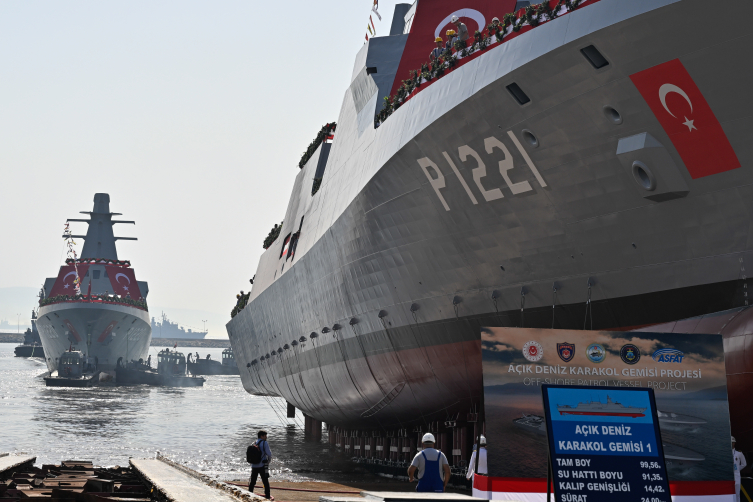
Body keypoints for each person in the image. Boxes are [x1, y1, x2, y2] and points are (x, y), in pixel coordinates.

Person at [249, 430, 273, 500]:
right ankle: (268, 496)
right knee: (265, 482)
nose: (266, 437)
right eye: (265, 435)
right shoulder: (264, 443)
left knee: (252, 482)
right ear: (261, 436)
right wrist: (268, 461)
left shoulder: (254, 443)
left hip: (254, 465)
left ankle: (249, 494)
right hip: (262, 465)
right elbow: (269, 454)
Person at [733, 436, 747, 502]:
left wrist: (737, 469)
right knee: (730, 493)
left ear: (735, 443)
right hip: (729, 476)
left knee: (737, 494)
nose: (732, 443)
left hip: (737, 475)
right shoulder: (726, 453)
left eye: (733, 442)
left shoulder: (739, 453)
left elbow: (744, 464)